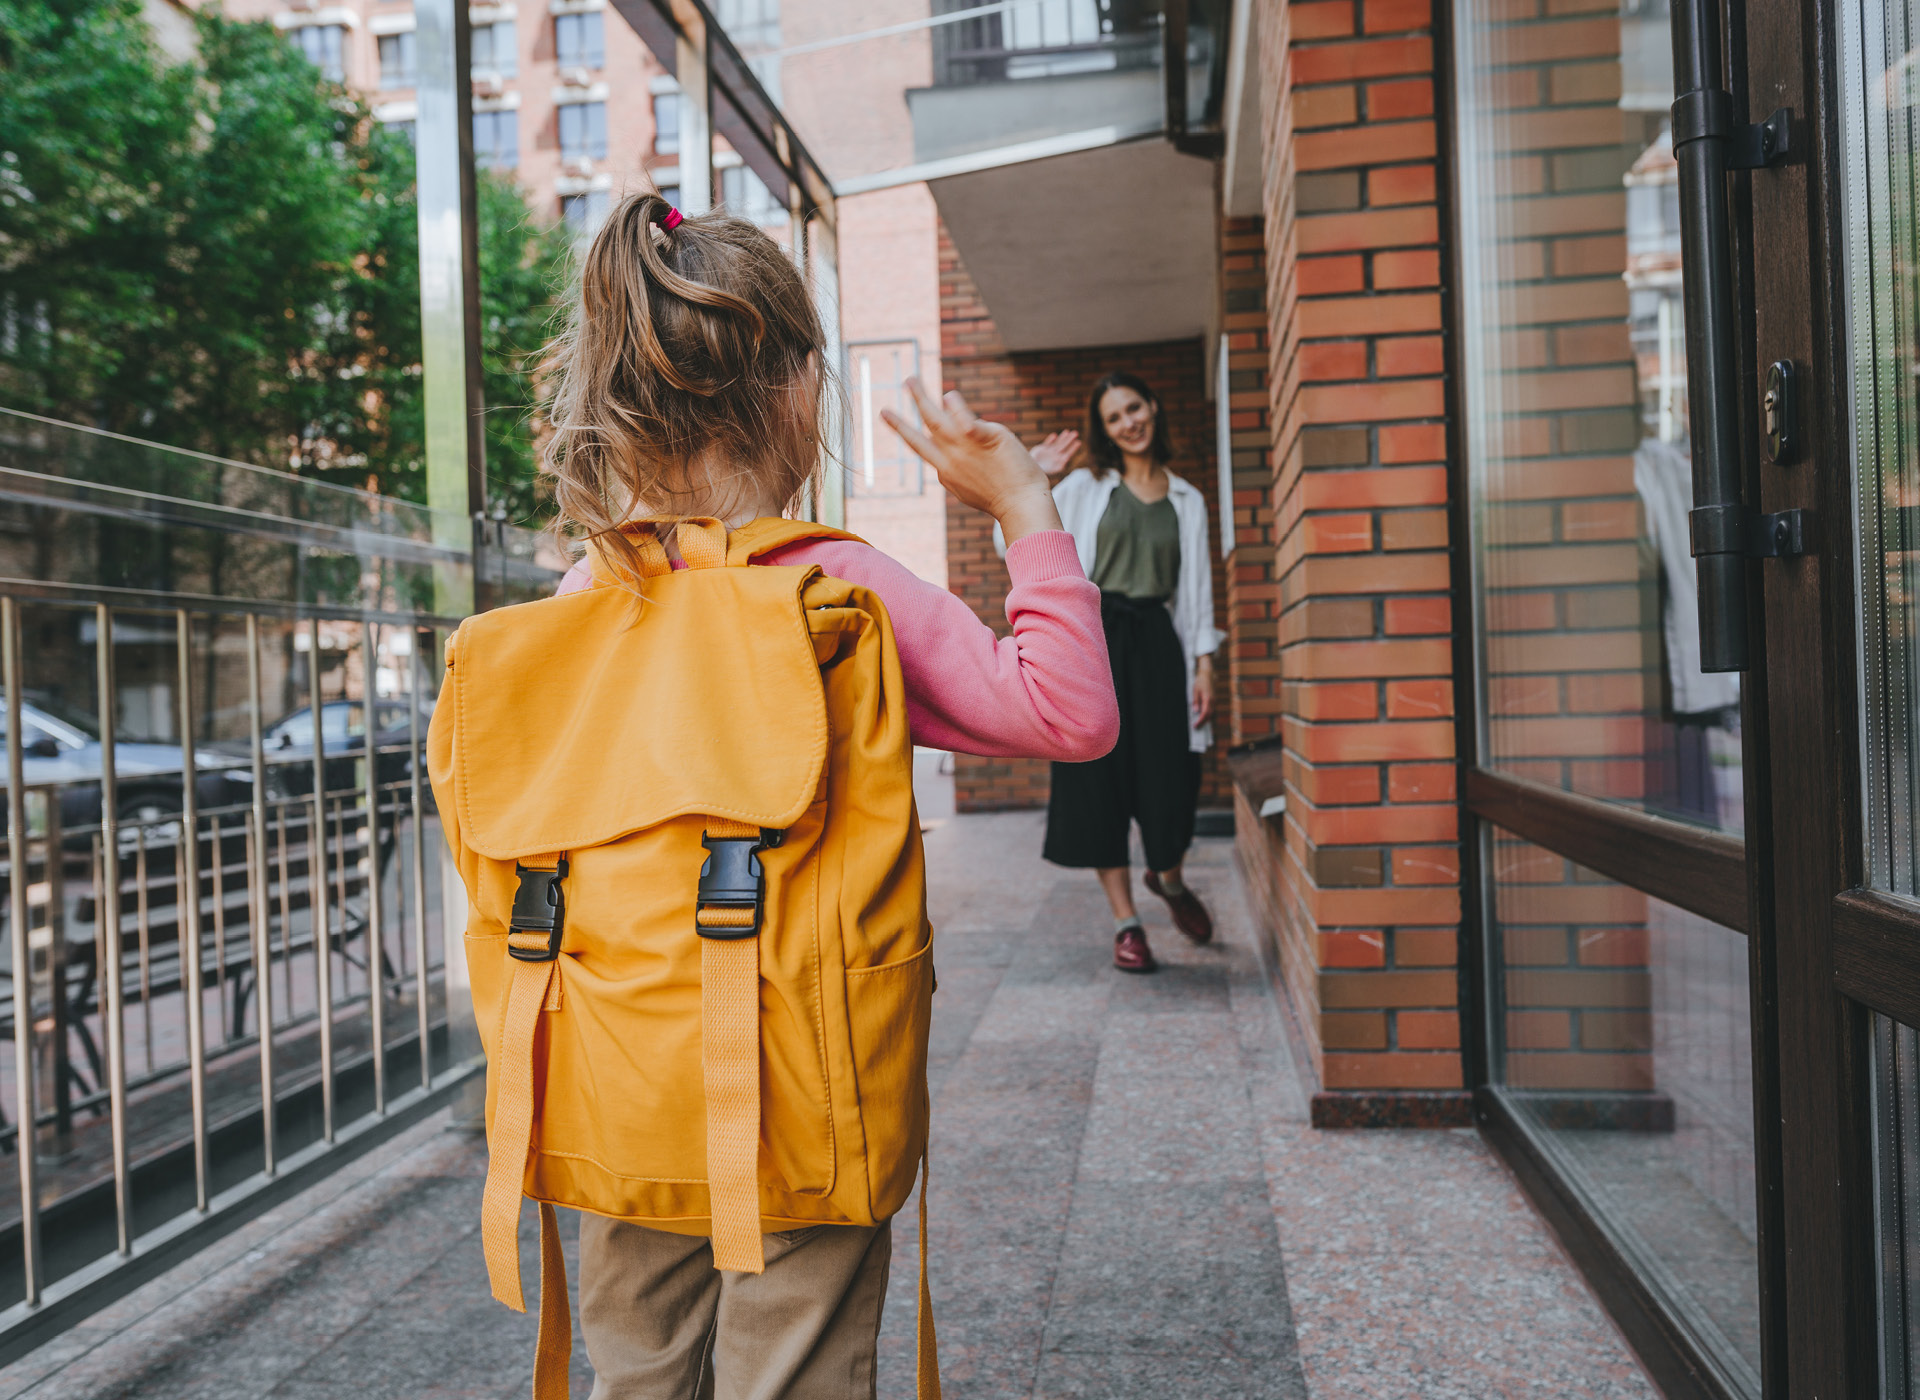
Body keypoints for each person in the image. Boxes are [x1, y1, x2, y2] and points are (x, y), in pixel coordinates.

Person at [542, 192, 1119, 1399]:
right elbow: (1070, 715)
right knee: (791, 1372)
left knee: (635, 1370)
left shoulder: (572, 612)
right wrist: (1023, 505)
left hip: (621, 1080)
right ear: (797, 390)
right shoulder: (844, 591)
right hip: (808, 1081)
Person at [1016, 371, 1222, 974]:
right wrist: (1033, 474)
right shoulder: (1083, 486)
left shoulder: (1188, 499)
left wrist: (1205, 667)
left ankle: (1170, 878)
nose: (1128, 422)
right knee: (1097, 777)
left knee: (1172, 780)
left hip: (1158, 644)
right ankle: (1126, 923)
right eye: (1114, 417)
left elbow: (1197, 591)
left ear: (1153, 406)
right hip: (1095, 643)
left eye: (1135, 407)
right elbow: (1026, 534)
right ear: (1104, 430)